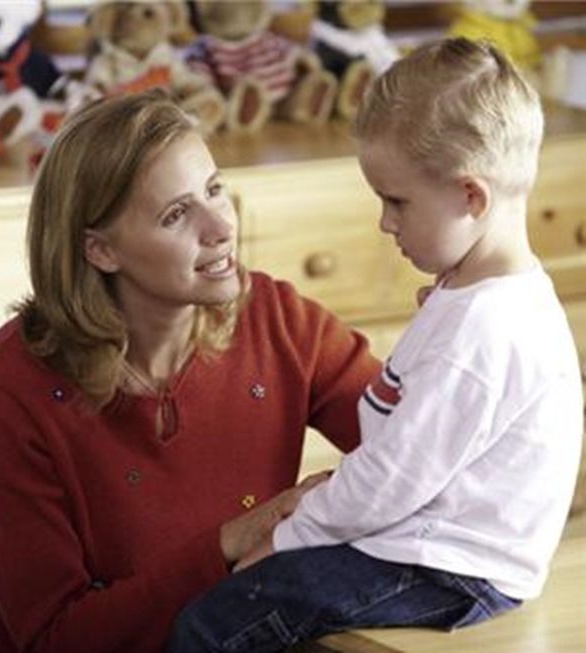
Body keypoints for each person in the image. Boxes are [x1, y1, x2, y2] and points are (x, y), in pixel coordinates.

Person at [166, 37, 584, 652]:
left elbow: (390, 480)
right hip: (432, 539)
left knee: (211, 624)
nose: (386, 223)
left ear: (471, 197)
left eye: (397, 201)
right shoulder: (480, 297)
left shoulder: (482, 332)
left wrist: (282, 536)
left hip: (447, 563)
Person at [0, 90, 383, 653]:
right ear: (101, 251)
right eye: (176, 214)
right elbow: (54, 639)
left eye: (214, 189)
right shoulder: (12, 387)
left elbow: (418, 447)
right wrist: (230, 543)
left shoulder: (278, 321)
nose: (220, 227)